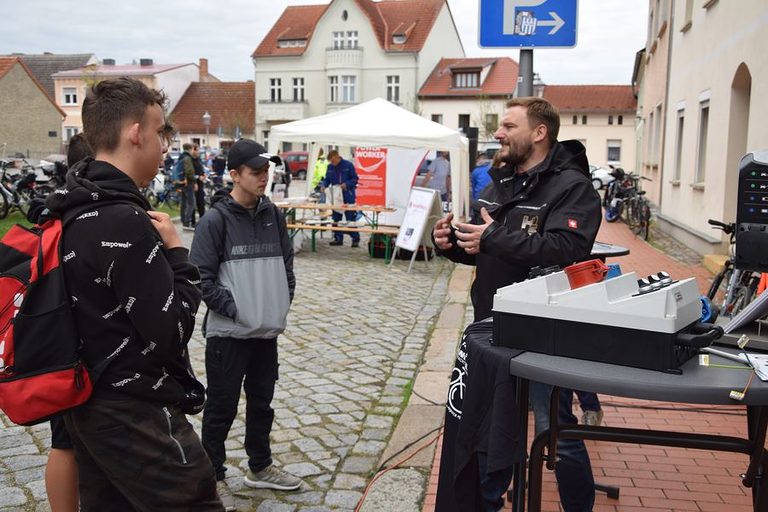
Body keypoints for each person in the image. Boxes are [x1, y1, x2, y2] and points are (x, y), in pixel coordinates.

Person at [44, 77, 222, 510]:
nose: (165, 146)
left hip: (88, 406)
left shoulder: (70, 209)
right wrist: (179, 257)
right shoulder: (122, 221)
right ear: (136, 133)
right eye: (160, 131)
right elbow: (170, 332)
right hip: (136, 411)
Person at [432, 97, 601, 512]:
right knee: (489, 432)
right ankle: (490, 502)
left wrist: (492, 238)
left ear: (539, 133)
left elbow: (568, 247)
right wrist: (453, 245)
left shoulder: (572, 186)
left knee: (554, 429)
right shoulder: (500, 182)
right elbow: (485, 246)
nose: (498, 133)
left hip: (545, 331)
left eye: (508, 126)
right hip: (492, 330)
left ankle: (578, 505)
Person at [190, 138, 302, 511]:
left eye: (266, 171)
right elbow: (200, 278)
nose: (264, 177)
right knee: (221, 406)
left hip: (265, 333)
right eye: (256, 172)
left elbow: (286, 265)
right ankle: (212, 477)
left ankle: (260, 466)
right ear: (234, 175)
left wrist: (279, 303)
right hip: (229, 334)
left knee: (262, 403)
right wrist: (241, 311)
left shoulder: (274, 215)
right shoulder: (215, 221)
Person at [39, 133, 93, 512]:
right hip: (88, 343)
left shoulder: (53, 211)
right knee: (68, 442)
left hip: (55, 340)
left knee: (63, 442)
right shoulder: (90, 211)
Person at [320, 150, 359, 247]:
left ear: (337, 156)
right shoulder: (330, 167)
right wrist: (324, 185)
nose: (332, 163)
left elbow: (355, 179)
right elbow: (327, 179)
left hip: (347, 195)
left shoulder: (348, 165)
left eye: (333, 161)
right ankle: (338, 238)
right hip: (336, 196)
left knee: (350, 217)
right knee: (336, 218)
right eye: (331, 162)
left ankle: (355, 239)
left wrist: (347, 184)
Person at [179, 142, 198, 230]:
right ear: (190, 149)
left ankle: (183, 220)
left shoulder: (180, 156)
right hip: (188, 183)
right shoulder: (187, 158)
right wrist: (194, 181)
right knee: (192, 203)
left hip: (181, 182)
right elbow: (189, 171)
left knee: (183, 203)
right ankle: (186, 223)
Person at [193, 145, 207, 224]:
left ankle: (203, 220)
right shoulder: (191, 160)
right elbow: (191, 173)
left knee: (201, 203)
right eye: (197, 150)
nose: (198, 152)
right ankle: (193, 221)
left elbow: (200, 169)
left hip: (200, 185)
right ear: (193, 150)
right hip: (195, 185)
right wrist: (198, 177)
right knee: (194, 204)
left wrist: (203, 174)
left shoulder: (198, 160)